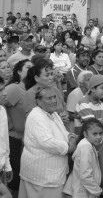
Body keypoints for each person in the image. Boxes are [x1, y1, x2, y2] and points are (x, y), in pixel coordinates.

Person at [19, 87, 77, 198]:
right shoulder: (36, 116)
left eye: (54, 97)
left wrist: (71, 139)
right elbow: (48, 143)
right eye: (49, 98)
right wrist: (69, 147)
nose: (54, 100)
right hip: (41, 176)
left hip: (53, 174)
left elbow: (66, 134)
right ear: (39, 101)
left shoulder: (53, 114)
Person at [5, 60, 32, 195]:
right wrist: (9, 123)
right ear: (19, 71)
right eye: (28, 67)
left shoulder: (31, 89)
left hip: (28, 140)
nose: (32, 69)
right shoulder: (14, 88)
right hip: (15, 140)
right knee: (15, 179)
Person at [63, 118, 103, 198]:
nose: (99, 137)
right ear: (85, 134)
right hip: (80, 193)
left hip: (82, 191)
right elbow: (85, 175)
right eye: (94, 134)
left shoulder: (88, 144)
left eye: (100, 133)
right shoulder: (86, 148)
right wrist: (96, 191)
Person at [0, 77, 12, 187]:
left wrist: (7, 165)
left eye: (4, 88)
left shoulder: (2, 111)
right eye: (0, 90)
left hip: (1, 168)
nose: (4, 93)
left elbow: (4, 141)